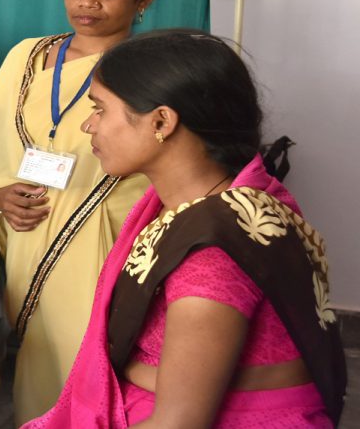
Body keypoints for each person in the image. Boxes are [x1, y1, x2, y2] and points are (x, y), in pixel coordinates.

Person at [27, 30, 346, 427]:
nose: (89, 126)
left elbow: (178, 423)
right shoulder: (222, 201)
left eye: (100, 110)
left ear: (161, 121)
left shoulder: (211, 253)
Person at [0, 0, 156, 421]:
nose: (88, 3)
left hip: (112, 233)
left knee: (98, 363)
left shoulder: (153, 67)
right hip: (29, 230)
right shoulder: (27, 56)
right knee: (42, 360)